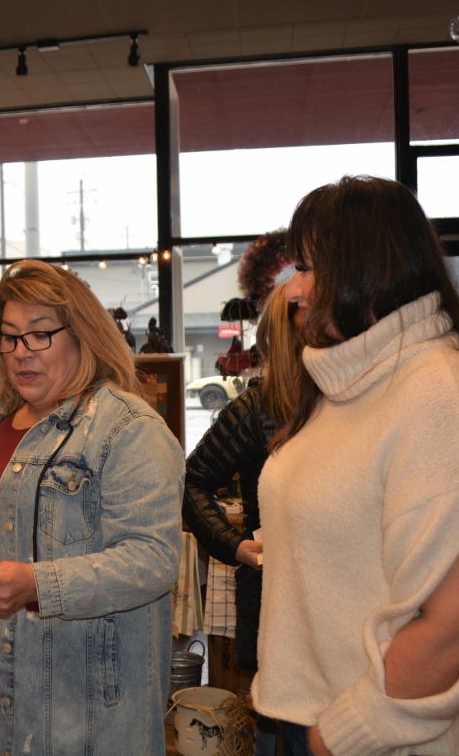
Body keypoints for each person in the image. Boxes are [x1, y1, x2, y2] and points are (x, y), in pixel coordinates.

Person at [255, 176, 459, 756]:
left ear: (362, 269)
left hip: (376, 737)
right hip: (309, 717)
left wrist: (344, 733)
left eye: (305, 267)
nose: (292, 290)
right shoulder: (349, 384)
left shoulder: (441, 396)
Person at [0, 259, 184, 756]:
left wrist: (36, 584)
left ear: (81, 334)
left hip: (72, 705)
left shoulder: (126, 428)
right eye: (8, 337)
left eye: (40, 334)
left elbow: (152, 559)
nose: (21, 353)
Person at [182, 284, 300, 756]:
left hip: (342, 594)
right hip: (275, 593)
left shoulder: (351, 399)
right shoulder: (258, 406)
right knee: (278, 717)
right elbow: (192, 480)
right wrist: (235, 546)